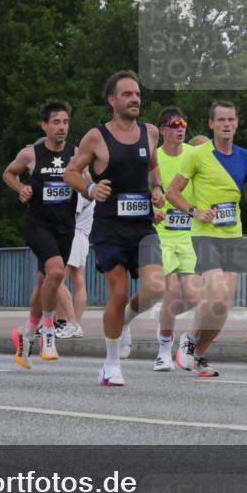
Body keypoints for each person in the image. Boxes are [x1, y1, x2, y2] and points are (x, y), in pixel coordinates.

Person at [65, 70, 166, 387]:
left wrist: (159, 187)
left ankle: (126, 321)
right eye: (127, 94)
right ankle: (110, 365)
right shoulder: (96, 137)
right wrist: (90, 188)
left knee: (156, 288)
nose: (135, 99)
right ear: (112, 100)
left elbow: (152, 166)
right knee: (118, 293)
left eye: (137, 94)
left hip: (143, 225)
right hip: (109, 226)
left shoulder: (150, 132)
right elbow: (71, 173)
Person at [167, 99, 247, 377]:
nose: (226, 125)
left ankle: (198, 353)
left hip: (233, 235)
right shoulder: (197, 155)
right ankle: (190, 340)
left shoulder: (245, 157)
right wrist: (194, 211)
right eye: (221, 120)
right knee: (217, 294)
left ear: (236, 123)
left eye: (231, 120)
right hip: (205, 235)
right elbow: (172, 192)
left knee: (223, 304)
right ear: (211, 124)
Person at [3, 101, 79, 366]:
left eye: (65, 122)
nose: (62, 127)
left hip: (65, 226)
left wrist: (90, 190)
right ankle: (48, 331)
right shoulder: (30, 154)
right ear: (44, 126)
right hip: (38, 224)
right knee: (57, 273)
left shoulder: (76, 153)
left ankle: (25, 334)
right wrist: (21, 188)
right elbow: (9, 173)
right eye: (56, 122)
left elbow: (86, 180)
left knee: (44, 283)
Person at [153, 106, 202, 372]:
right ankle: (163, 350)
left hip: (189, 234)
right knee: (171, 293)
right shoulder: (154, 158)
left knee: (194, 296)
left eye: (183, 123)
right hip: (161, 235)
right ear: (162, 131)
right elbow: (140, 191)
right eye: (174, 124)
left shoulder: (194, 155)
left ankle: (166, 319)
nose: (181, 128)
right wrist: (152, 208)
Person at [58, 189, 93, 340]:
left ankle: (70, 322)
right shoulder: (94, 193)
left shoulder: (80, 193)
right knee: (79, 282)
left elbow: (70, 217)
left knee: (58, 279)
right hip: (84, 236)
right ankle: (75, 324)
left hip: (73, 236)